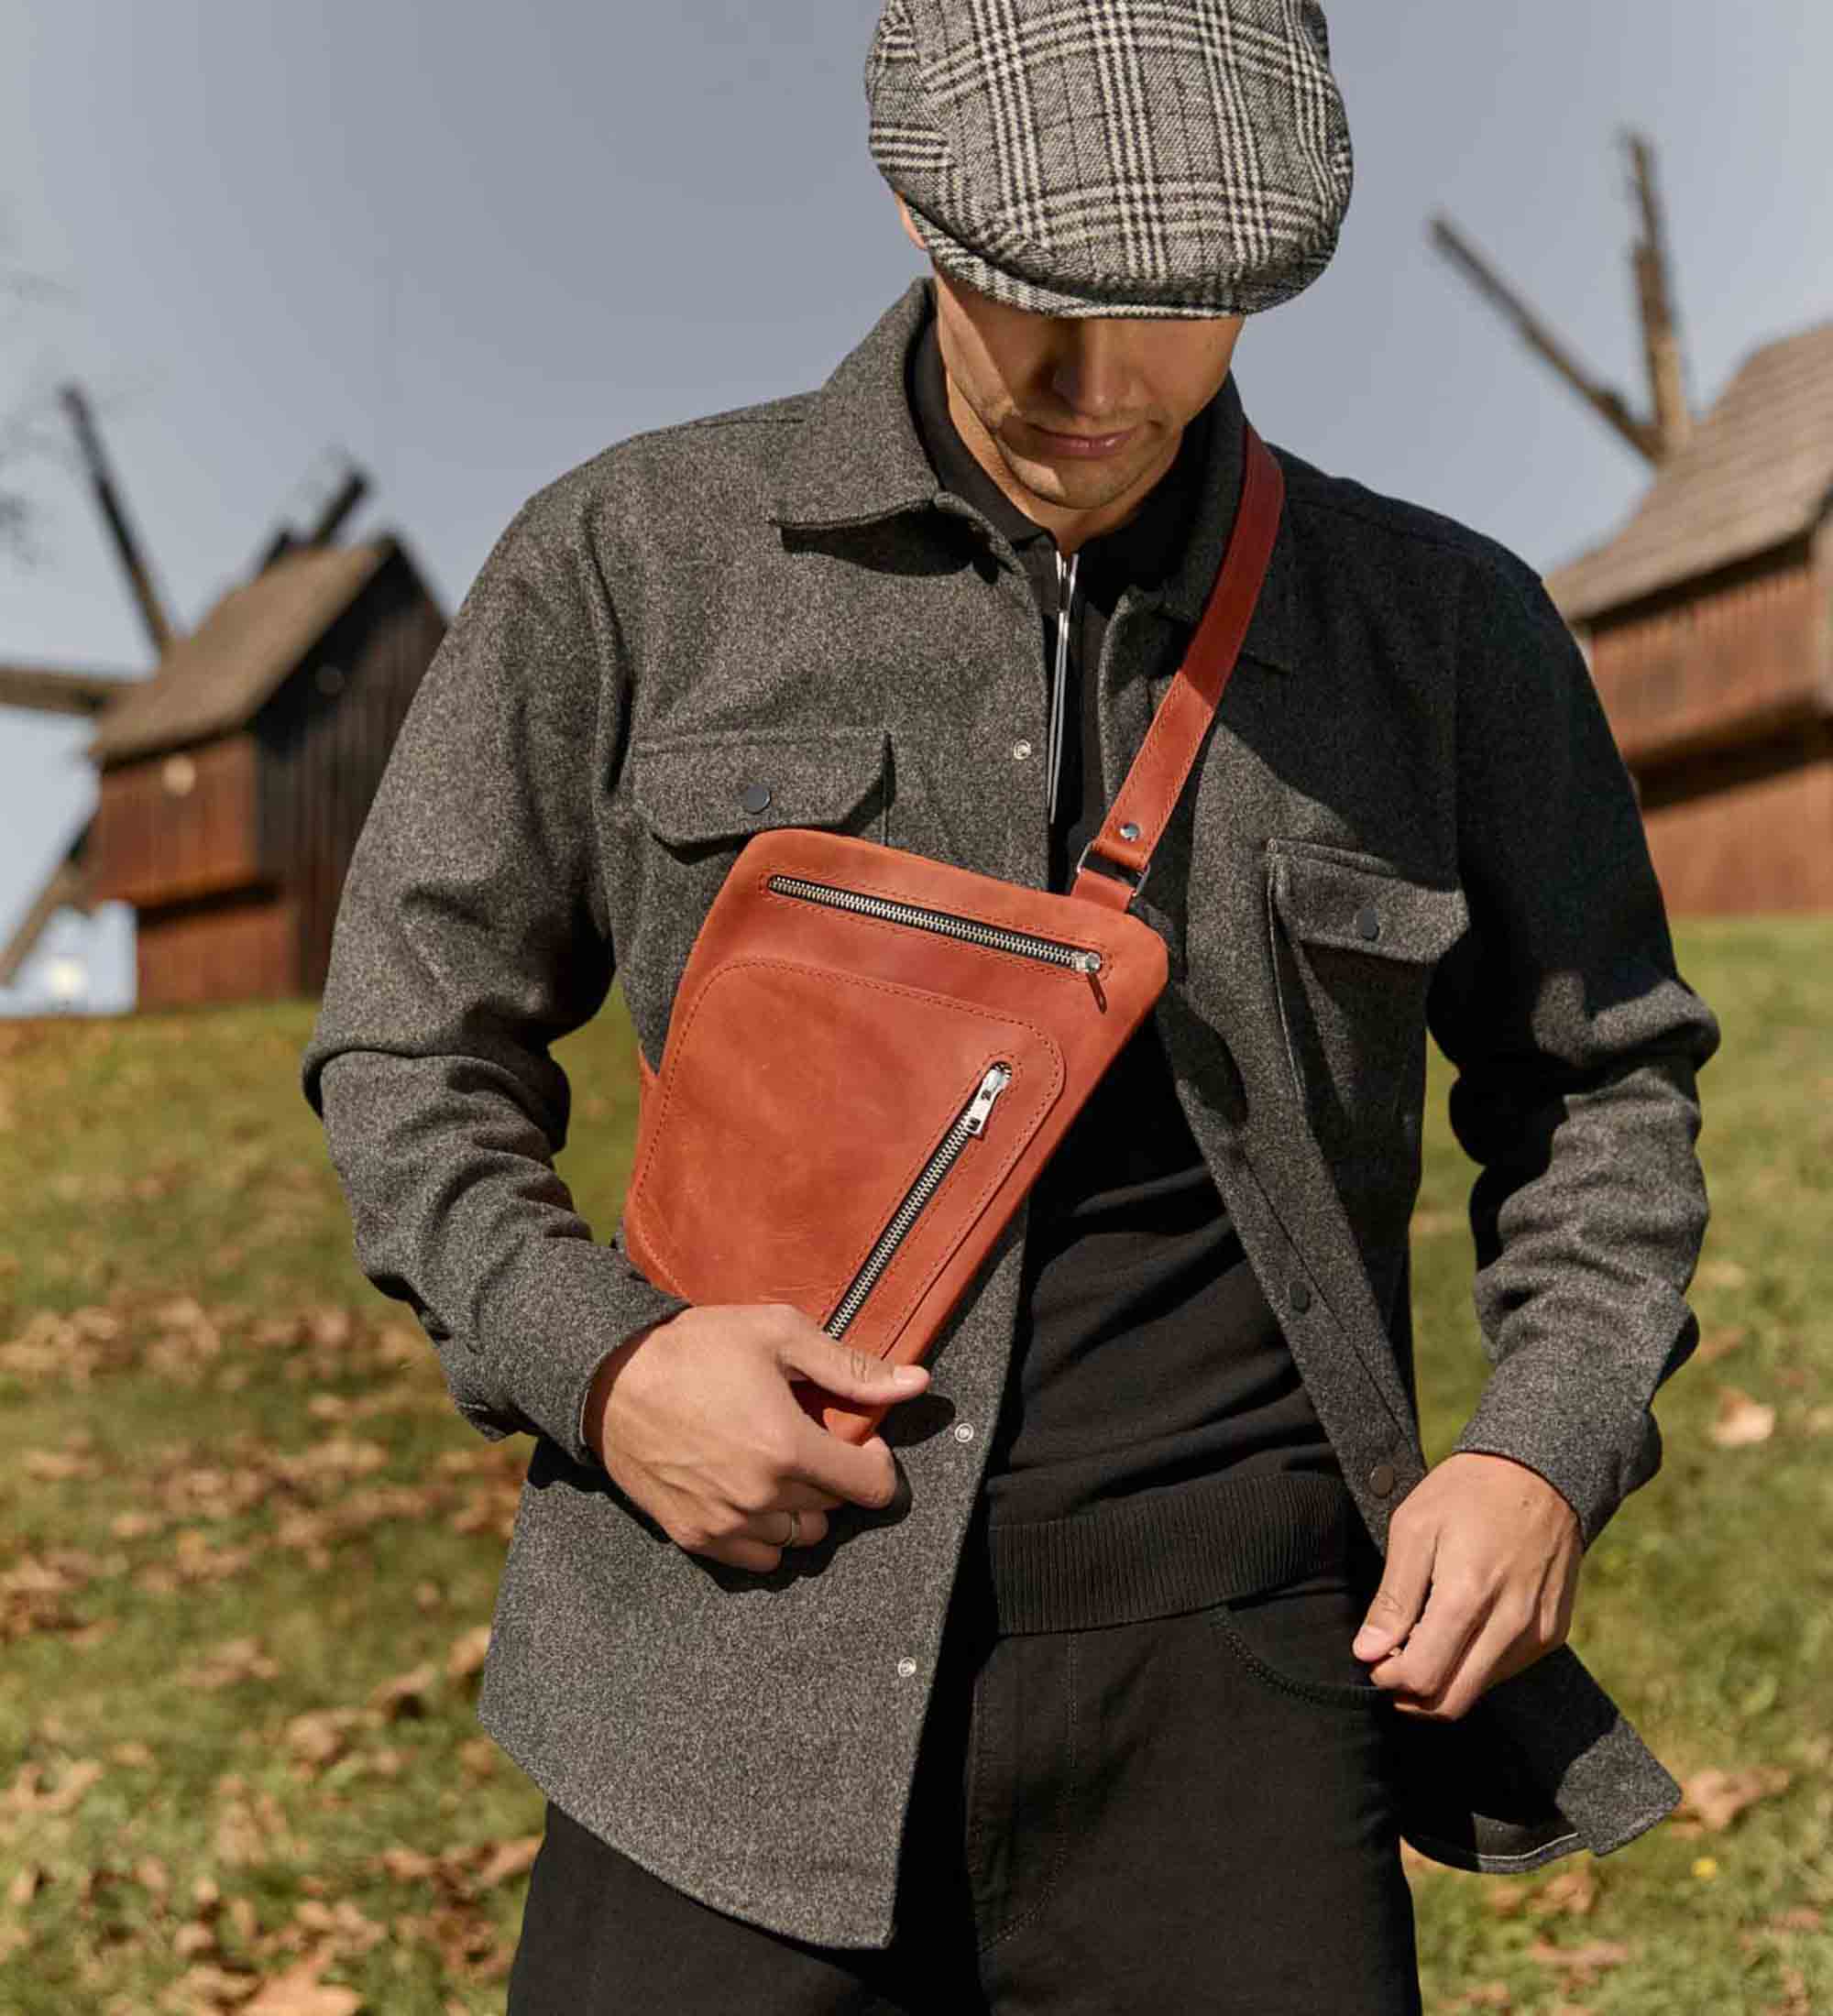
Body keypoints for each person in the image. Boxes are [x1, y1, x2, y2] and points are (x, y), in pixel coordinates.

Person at [300, 4, 1719, 2010]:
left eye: (1180, 305)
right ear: (911, 200)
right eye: (1033, 290)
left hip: (1242, 1702)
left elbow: (1604, 1090)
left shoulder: (1445, 629)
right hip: (714, 1683)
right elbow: (406, 1048)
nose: (1096, 378)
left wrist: (1542, 1448)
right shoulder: (630, 562)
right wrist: (604, 1368)